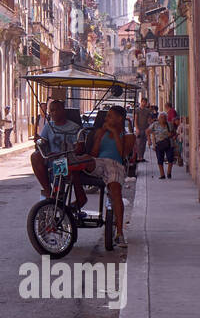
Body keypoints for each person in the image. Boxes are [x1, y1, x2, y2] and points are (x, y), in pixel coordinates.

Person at [89, 105, 135, 247]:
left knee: (116, 191)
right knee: (82, 163)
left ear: (119, 118)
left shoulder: (128, 136)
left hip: (115, 164)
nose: (106, 118)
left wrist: (115, 133)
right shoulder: (100, 132)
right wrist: (100, 136)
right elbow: (94, 154)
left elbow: (123, 154)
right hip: (99, 162)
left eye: (110, 116)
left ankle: (120, 233)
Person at [30, 99, 89, 209]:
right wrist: (39, 141)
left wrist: (70, 150)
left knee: (62, 163)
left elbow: (80, 148)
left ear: (63, 111)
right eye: (51, 111)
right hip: (51, 160)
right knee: (35, 156)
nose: (53, 113)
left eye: (56, 110)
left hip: (67, 160)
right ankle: (49, 192)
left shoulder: (74, 128)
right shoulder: (49, 126)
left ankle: (62, 195)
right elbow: (43, 142)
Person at [149, 109, 175, 179]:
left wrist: (171, 134)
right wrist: (150, 141)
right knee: (160, 159)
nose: (163, 119)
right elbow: (148, 131)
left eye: (164, 117)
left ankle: (169, 173)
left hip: (169, 143)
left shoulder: (169, 124)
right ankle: (162, 174)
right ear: (158, 118)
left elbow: (174, 133)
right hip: (159, 144)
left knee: (170, 159)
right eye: (161, 117)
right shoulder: (155, 124)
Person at [134, 96, 153, 162]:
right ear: (141, 102)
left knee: (144, 143)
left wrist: (150, 127)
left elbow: (149, 120)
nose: (144, 103)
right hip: (139, 128)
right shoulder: (137, 110)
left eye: (145, 102)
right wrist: (136, 128)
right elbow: (135, 119)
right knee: (138, 143)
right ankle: (138, 157)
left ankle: (142, 157)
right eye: (143, 102)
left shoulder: (148, 111)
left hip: (145, 129)